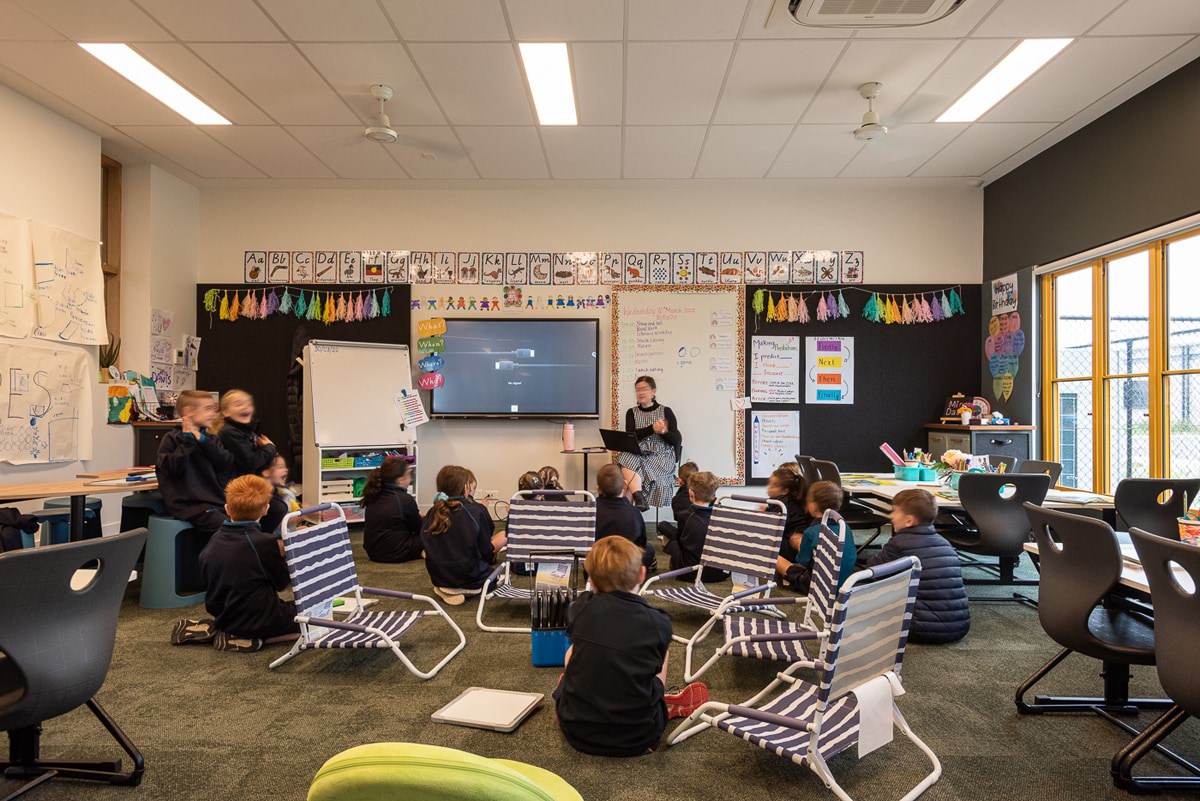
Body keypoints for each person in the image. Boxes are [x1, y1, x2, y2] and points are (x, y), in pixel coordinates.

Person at [554, 536, 709, 757]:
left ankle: (580, 688)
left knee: (574, 650)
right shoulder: (659, 622)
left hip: (576, 732)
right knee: (659, 652)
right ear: (642, 574)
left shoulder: (579, 609)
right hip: (639, 738)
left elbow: (581, 606)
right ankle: (661, 702)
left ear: (592, 582)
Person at [198, 475, 301, 653]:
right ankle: (255, 638)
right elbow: (281, 583)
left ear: (227, 509)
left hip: (223, 616)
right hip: (262, 618)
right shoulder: (264, 542)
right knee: (315, 617)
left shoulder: (214, 539)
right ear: (266, 509)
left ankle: (230, 631)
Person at [867, 489, 970, 644]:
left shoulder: (899, 543)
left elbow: (873, 571)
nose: (891, 516)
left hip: (919, 629)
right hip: (959, 626)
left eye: (894, 512)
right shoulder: (945, 543)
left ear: (909, 521)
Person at [421, 465, 507, 606]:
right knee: (504, 536)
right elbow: (485, 552)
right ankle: (460, 589)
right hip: (474, 582)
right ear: (466, 488)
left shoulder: (432, 512)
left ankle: (447, 590)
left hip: (440, 578)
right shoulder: (478, 511)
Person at [156, 390, 234, 536]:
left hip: (216, 501)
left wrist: (202, 440)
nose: (213, 413)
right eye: (207, 409)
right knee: (230, 529)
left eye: (213, 409)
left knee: (248, 523)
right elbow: (172, 469)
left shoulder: (210, 439)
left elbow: (225, 462)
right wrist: (188, 443)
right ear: (188, 411)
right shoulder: (171, 439)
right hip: (190, 505)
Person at [776, 480, 857, 593]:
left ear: (813, 505)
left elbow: (802, 562)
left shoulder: (811, 532)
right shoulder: (845, 528)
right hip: (844, 583)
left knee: (775, 557)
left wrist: (800, 544)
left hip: (817, 586)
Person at [616, 376, 682, 511]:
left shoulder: (665, 411)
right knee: (625, 457)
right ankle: (638, 497)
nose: (640, 392)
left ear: (653, 391)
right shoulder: (631, 412)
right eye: (637, 390)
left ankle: (631, 509)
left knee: (629, 477)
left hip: (662, 455)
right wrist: (652, 428)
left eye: (644, 389)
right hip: (638, 452)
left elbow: (676, 440)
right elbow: (632, 436)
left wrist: (663, 432)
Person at [662, 471, 727, 583]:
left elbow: (681, 542)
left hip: (691, 573)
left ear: (691, 494)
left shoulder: (685, 516)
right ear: (714, 496)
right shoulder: (722, 516)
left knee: (671, 541)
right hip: (719, 573)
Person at [361, 456, 423, 563]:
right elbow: (418, 528)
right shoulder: (405, 499)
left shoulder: (374, 493)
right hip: (395, 553)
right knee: (434, 532)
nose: (411, 478)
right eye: (409, 475)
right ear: (400, 480)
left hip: (373, 552)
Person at [595, 463, 654, 570]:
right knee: (649, 549)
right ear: (625, 485)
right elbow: (641, 543)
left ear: (598, 488)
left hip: (598, 568)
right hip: (627, 570)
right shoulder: (634, 512)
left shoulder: (591, 511)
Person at [212, 389, 277, 479]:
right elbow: (252, 462)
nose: (245, 407)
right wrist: (270, 448)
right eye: (239, 404)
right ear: (226, 412)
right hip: (237, 488)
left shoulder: (247, 432)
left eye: (249, 404)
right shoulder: (229, 433)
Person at [767, 463, 811, 567]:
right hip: (792, 542)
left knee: (763, 541)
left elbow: (772, 528)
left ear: (785, 491)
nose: (769, 488)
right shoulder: (786, 500)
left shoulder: (782, 503)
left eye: (773, 486)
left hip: (793, 546)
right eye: (769, 484)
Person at [655, 461, 698, 544]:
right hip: (703, 535)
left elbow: (680, 520)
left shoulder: (677, 499)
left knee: (662, 525)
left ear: (679, 480)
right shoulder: (704, 494)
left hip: (684, 538)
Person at [259, 454, 300, 536]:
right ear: (266, 472)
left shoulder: (277, 492)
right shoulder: (264, 498)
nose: (286, 470)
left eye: (285, 467)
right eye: (280, 467)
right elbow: (274, 526)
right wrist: (305, 515)